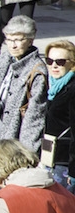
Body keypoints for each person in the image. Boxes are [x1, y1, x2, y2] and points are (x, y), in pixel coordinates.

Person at [0, 15, 47, 157]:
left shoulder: (36, 71)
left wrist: (28, 153)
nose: (13, 45)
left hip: (15, 144)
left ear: (30, 40)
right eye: (9, 39)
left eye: (18, 40)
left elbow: (35, 117)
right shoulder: (4, 61)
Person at [40, 40, 75, 188]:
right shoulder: (52, 85)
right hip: (50, 156)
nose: (53, 65)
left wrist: (73, 171)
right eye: (49, 60)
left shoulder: (72, 89)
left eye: (60, 62)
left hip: (65, 161)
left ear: (71, 63)